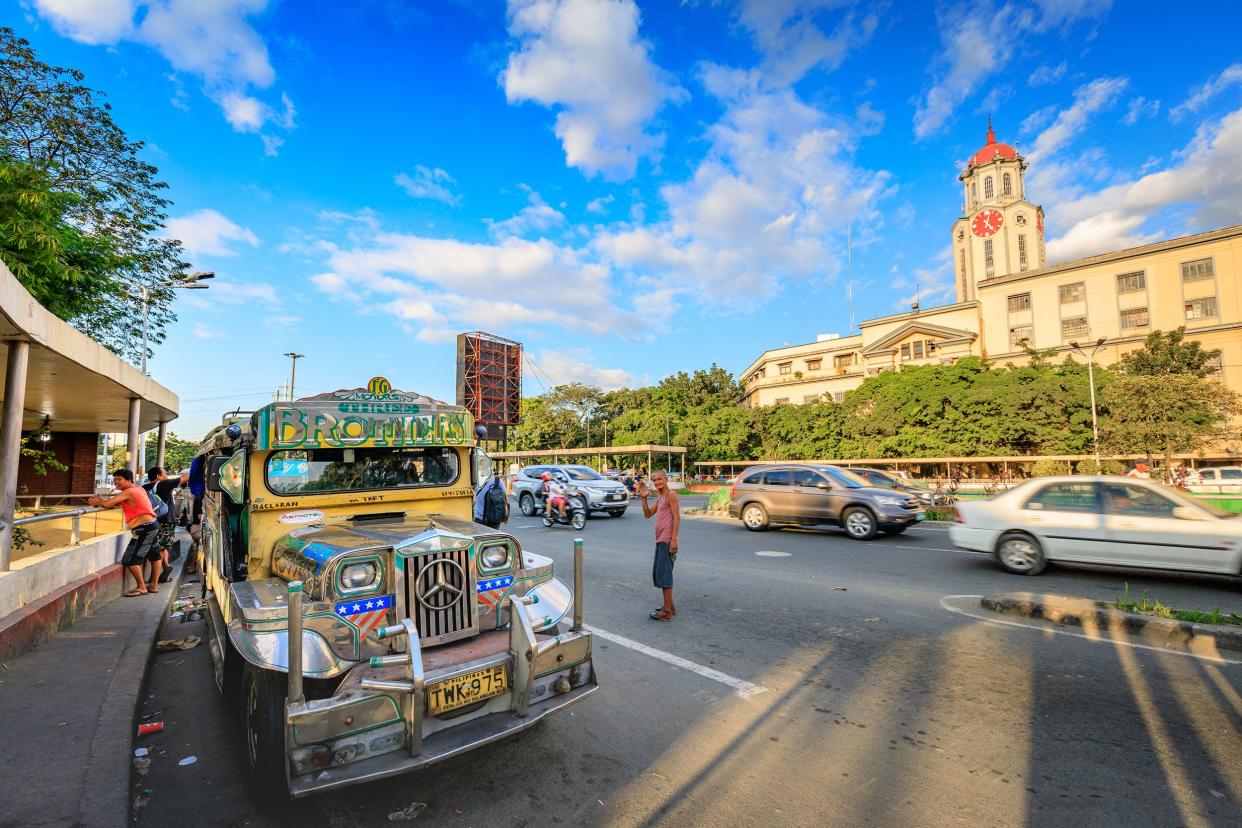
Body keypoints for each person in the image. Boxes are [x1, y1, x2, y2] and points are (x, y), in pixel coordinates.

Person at [88, 469, 159, 597]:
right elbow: (117, 503)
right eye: (115, 480)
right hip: (153, 525)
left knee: (130, 559)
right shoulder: (138, 488)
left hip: (144, 528)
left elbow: (108, 504)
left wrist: (97, 502)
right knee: (155, 555)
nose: (116, 482)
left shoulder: (128, 491)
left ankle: (142, 587)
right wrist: (103, 502)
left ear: (129, 480)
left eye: (119, 479)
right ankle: (153, 586)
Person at [637, 470, 679, 621]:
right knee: (661, 573)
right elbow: (647, 514)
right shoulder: (661, 498)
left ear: (666, 479)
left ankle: (667, 612)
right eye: (654, 480)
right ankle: (670, 607)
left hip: (666, 540)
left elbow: (676, 517)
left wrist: (673, 540)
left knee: (664, 575)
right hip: (660, 540)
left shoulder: (670, 495)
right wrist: (643, 498)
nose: (657, 482)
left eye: (660, 479)